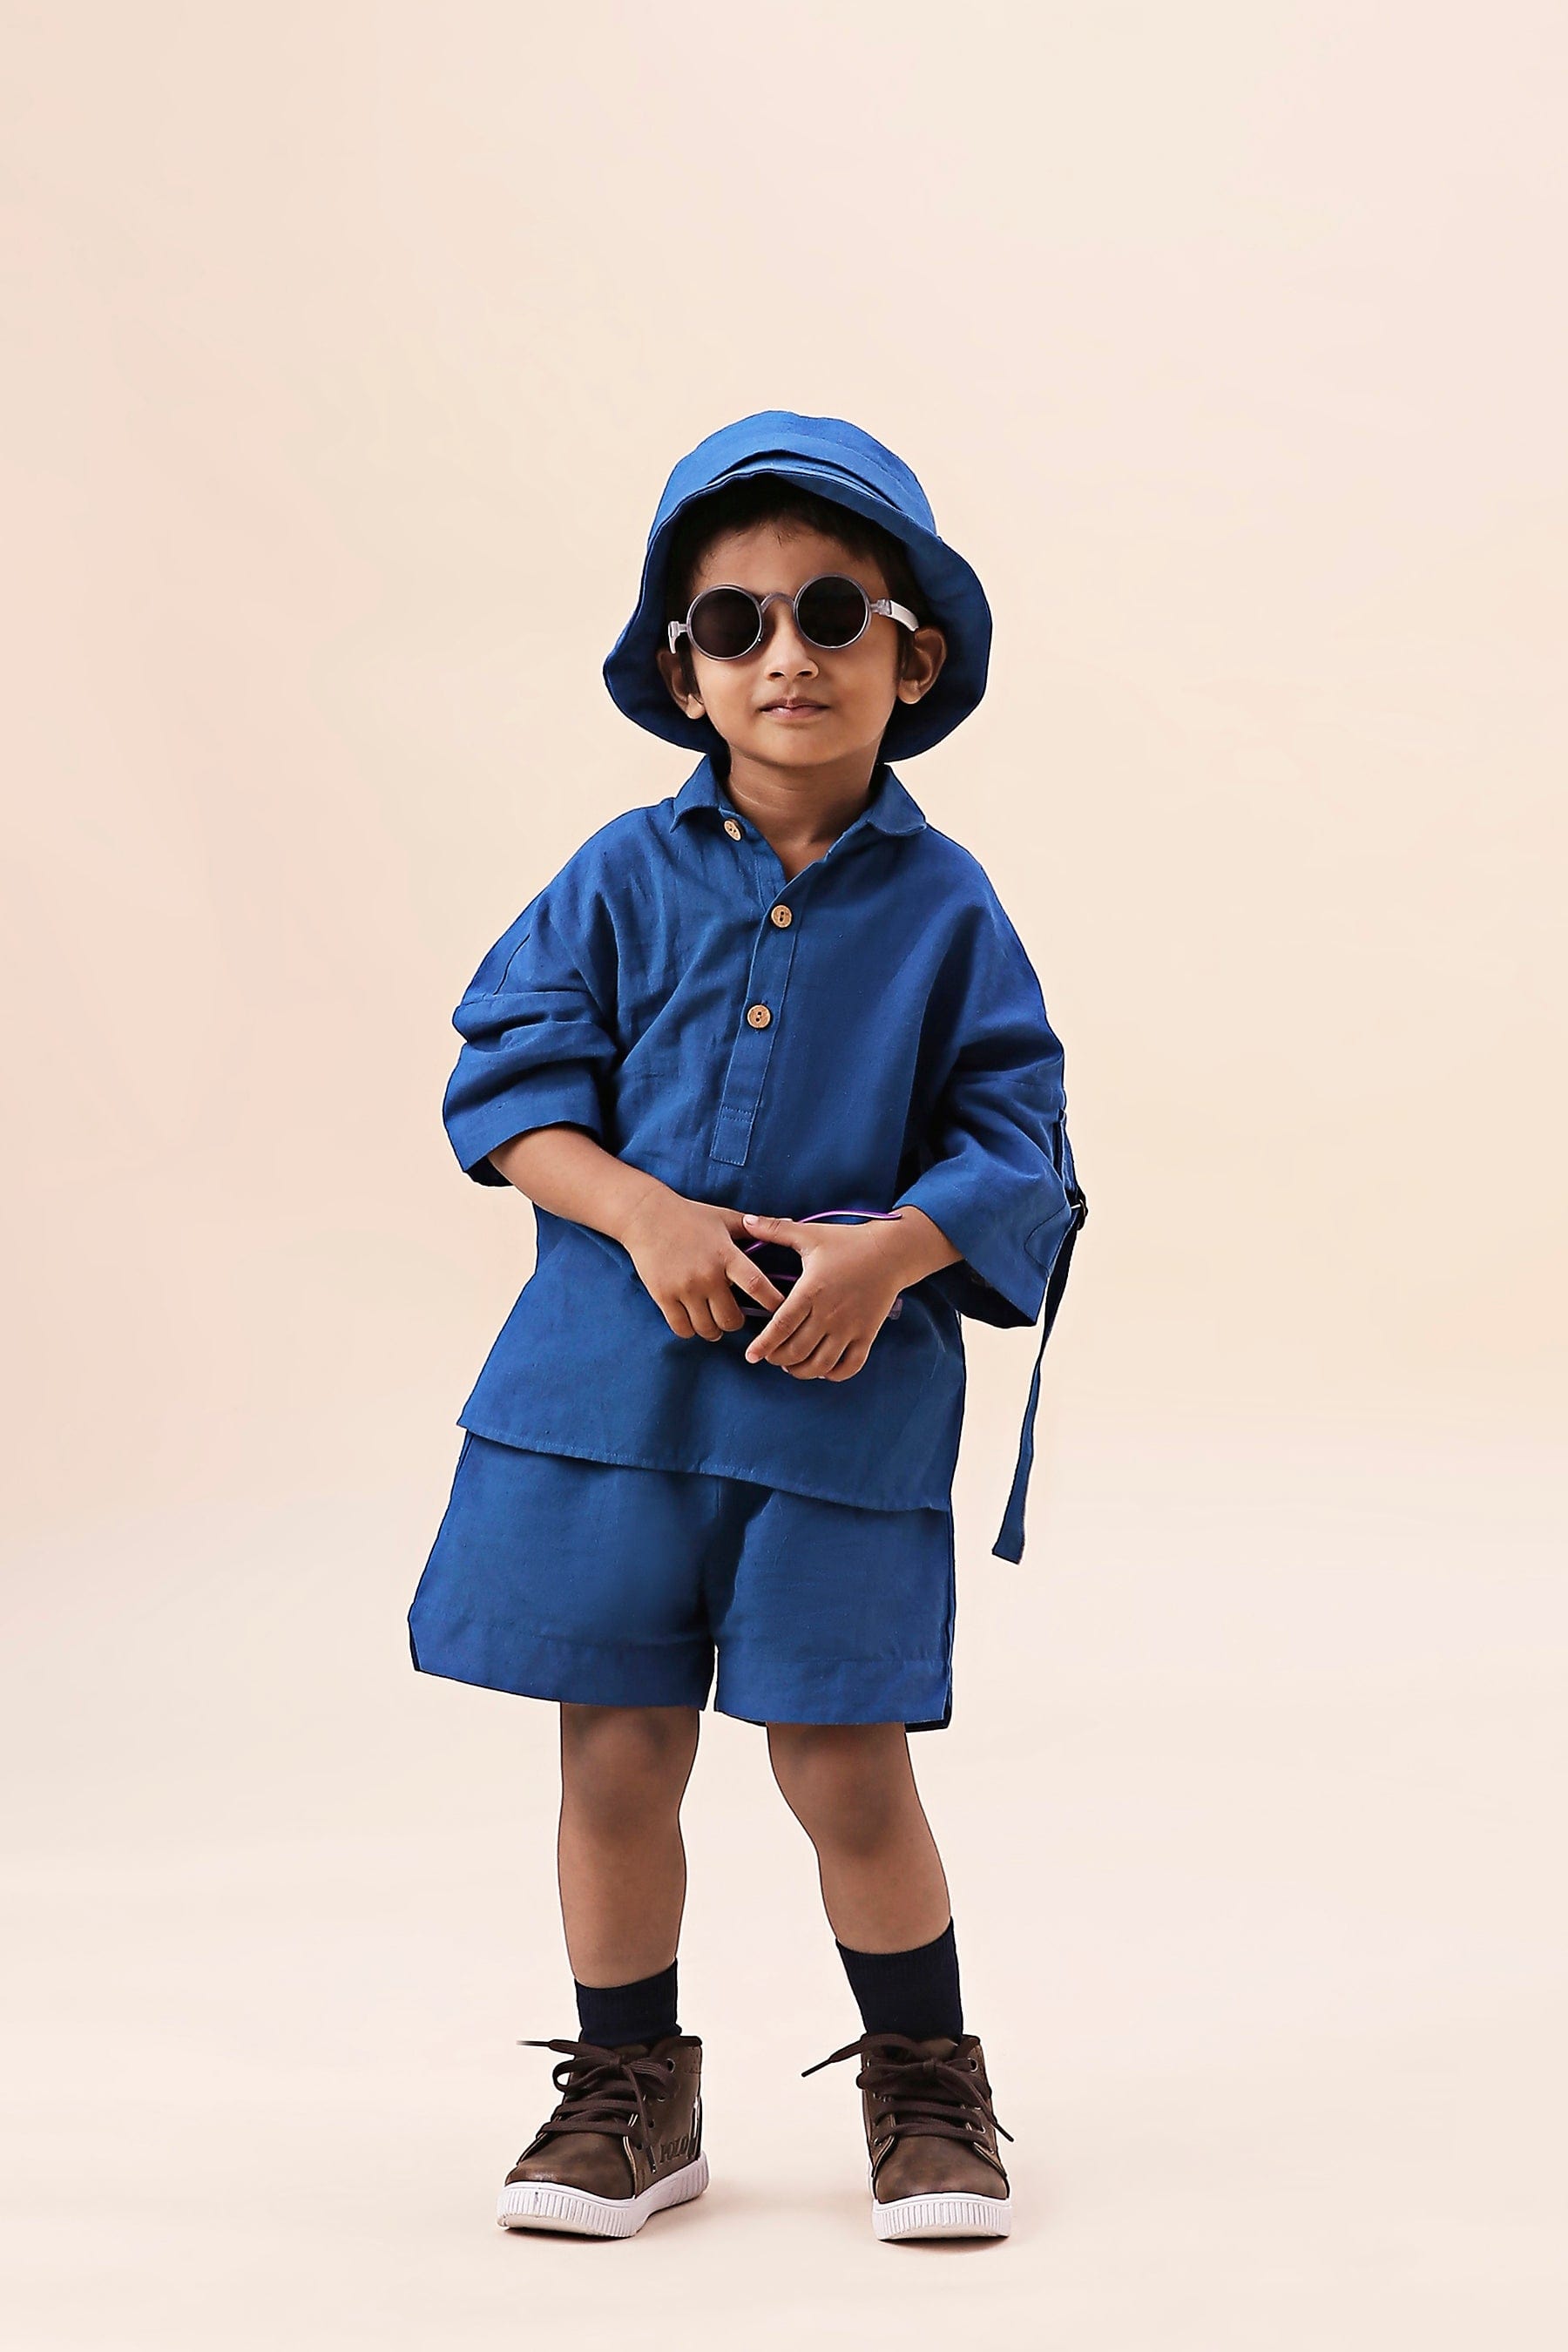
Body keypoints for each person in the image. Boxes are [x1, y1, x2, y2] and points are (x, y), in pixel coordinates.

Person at [408, 411, 1088, 2244]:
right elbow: (512, 1086)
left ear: (910, 658)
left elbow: (1018, 1143)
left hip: (838, 1409)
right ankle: (630, 2093)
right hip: (604, 1401)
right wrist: (647, 1214)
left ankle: (926, 2085)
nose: (786, 651)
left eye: (833, 611)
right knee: (618, 1750)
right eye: (736, 622)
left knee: (844, 1761)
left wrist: (890, 1258)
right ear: (683, 667)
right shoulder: (616, 876)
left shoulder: (950, 909)